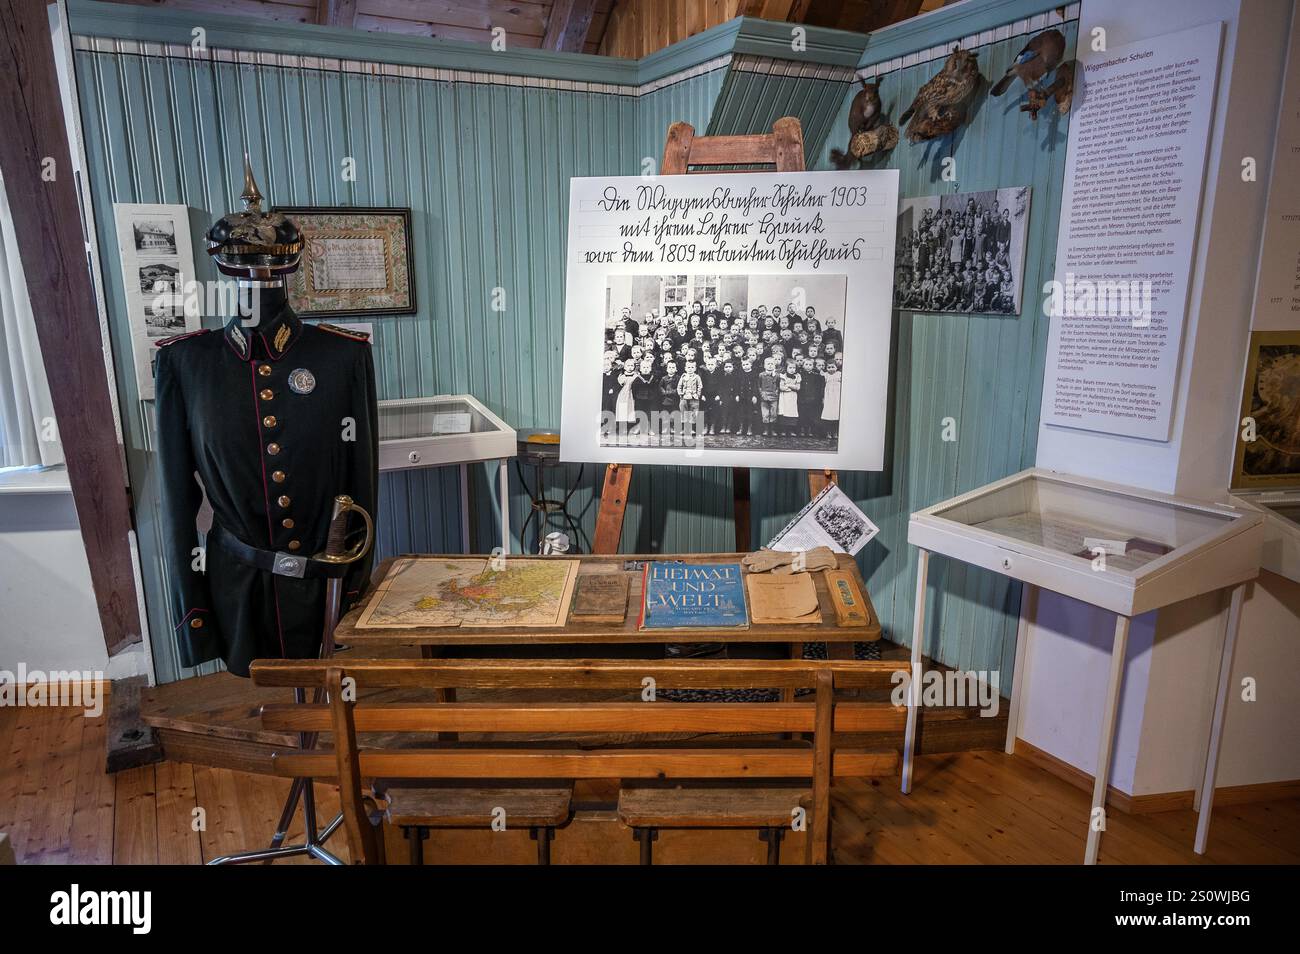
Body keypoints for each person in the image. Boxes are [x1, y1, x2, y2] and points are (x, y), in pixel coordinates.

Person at [798, 356, 824, 437]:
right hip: (802, 399)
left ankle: (810, 430)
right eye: (806, 364)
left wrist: (818, 398)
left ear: (813, 366)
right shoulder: (800, 375)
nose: (808, 366)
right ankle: (802, 430)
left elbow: (819, 388)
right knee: (802, 414)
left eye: (810, 365)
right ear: (803, 365)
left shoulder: (816, 376)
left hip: (812, 399)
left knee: (812, 415)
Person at [778, 359, 801, 436]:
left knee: (792, 412)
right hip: (784, 397)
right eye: (790, 368)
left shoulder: (797, 376)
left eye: (793, 368)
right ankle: (783, 430)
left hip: (793, 397)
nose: (792, 370)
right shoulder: (783, 376)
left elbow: (798, 388)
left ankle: (790, 430)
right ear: (786, 368)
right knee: (784, 412)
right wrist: (789, 388)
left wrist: (788, 385)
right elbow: (781, 387)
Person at [821, 360, 841, 439]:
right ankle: (828, 432)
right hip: (829, 398)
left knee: (836, 415)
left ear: (836, 367)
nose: (831, 369)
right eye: (829, 367)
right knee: (828, 414)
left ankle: (835, 432)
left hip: (837, 398)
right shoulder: (825, 375)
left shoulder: (839, 374)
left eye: (833, 367)